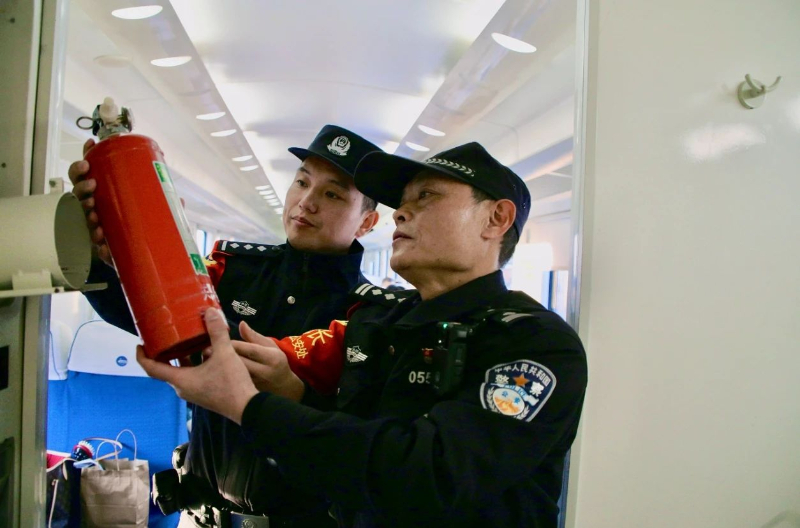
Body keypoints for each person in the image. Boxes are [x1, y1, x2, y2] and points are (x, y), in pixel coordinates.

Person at [138, 142, 589, 528]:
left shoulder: (535, 343)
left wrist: (248, 406)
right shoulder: (381, 324)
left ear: (496, 219)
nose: (402, 212)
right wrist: (292, 391)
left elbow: (426, 476)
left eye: (426, 196)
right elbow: (353, 432)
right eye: (402, 202)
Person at [68, 124, 383, 527]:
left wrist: (297, 393)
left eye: (332, 194)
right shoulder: (230, 270)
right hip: (202, 516)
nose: (306, 202)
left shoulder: (367, 314)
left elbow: (359, 432)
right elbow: (147, 315)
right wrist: (102, 255)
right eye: (302, 182)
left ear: (366, 222)